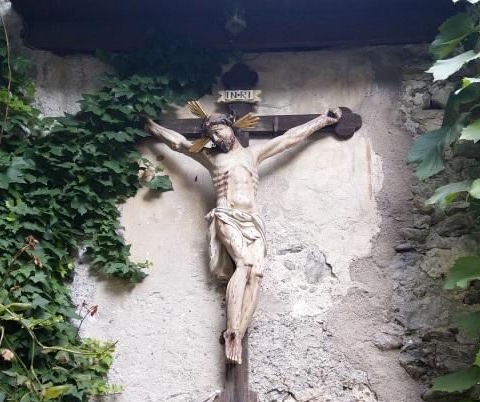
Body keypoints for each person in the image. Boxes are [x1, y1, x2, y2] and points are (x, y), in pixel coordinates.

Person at [145, 104, 342, 364]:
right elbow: (179, 143)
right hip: (227, 215)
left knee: (256, 274)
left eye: (219, 131)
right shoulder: (210, 157)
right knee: (245, 264)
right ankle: (230, 329)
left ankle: (238, 332)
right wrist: (151, 126)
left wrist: (322, 121)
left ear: (231, 127)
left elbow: (289, 139)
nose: (216, 138)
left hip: (253, 220)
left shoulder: (253, 155)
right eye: (211, 135)